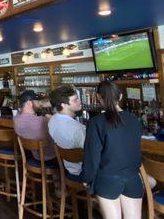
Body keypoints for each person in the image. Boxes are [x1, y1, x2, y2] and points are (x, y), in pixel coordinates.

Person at [81, 81, 144, 219]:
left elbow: (92, 156)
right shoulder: (134, 119)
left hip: (107, 179)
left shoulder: (96, 122)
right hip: (133, 177)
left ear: (98, 97)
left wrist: (87, 178)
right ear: (120, 97)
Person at [48, 85, 86, 177]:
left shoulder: (52, 120)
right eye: (75, 100)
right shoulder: (78, 129)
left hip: (68, 168)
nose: (79, 101)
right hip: (83, 172)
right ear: (63, 105)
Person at [13, 90, 56, 161]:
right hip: (50, 157)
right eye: (37, 101)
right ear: (29, 103)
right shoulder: (42, 121)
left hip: (31, 157)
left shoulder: (16, 118)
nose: (39, 104)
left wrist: (41, 104)